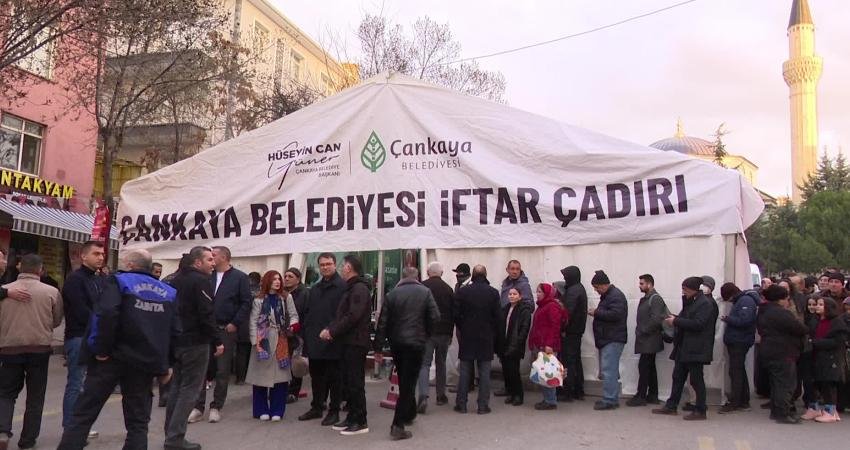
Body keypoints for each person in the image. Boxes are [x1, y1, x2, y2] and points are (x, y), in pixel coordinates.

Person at [58, 249, 178, 450]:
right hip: (144, 363)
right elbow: (174, 331)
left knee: (83, 415)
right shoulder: (168, 292)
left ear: (130, 265)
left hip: (112, 359)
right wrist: (165, 365)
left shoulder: (119, 282)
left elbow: (105, 315)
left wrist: (100, 350)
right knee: (138, 423)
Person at [0, 254, 62, 450]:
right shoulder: (52, 291)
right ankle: (28, 440)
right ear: (40, 269)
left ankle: (2, 431)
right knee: (36, 396)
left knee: (6, 393)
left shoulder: (5, 291)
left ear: (20, 268)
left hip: (9, 348)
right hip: (39, 349)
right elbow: (57, 319)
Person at [164, 246, 223, 450]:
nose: (213, 263)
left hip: (177, 342)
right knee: (189, 391)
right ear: (197, 262)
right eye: (209, 259)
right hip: (195, 342)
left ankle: (170, 434)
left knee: (177, 389)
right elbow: (206, 313)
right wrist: (217, 340)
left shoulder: (175, 279)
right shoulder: (200, 281)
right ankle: (175, 439)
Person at [374, 267, 440, 440]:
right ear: (417, 277)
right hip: (416, 343)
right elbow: (435, 317)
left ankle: (409, 414)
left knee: (405, 379)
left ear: (402, 277)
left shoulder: (392, 294)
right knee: (409, 384)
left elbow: (382, 323)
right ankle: (397, 425)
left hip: (397, 343)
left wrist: (378, 348)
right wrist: (426, 334)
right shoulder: (425, 292)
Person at [190, 246, 251, 424]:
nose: (211, 258)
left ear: (224, 257)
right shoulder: (206, 276)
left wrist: (235, 322)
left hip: (225, 329)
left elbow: (246, 302)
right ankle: (197, 407)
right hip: (205, 328)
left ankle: (216, 406)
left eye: (213, 256)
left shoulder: (240, 277)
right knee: (201, 368)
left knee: (222, 369)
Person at [652, 276, 717, 421]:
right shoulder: (692, 302)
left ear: (694, 289)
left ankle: (701, 409)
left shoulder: (705, 304)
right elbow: (686, 318)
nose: (683, 292)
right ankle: (671, 405)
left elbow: (698, 324)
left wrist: (676, 321)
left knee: (696, 380)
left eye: (685, 289)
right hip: (685, 346)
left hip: (696, 348)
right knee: (678, 377)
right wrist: (674, 318)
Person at [322, 254, 372, 436]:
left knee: (355, 382)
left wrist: (332, 331)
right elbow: (343, 316)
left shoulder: (359, 289)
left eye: (343, 265)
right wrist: (332, 328)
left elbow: (352, 316)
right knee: (349, 382)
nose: (342, 269)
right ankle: (352, 417)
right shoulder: (351, 288)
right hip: (348, 341)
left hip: (355, 342)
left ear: (350, 268)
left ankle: (360, 420)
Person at [60, 241, 105, 440]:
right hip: (79, 337)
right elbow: (81, 311)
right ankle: (71, 427)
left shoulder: (98, 279)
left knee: (88, 385)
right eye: (96, 254)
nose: (101, 257)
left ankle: (80, 426)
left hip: (93, 337)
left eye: (103, 254)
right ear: (83, 256)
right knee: (76, 383)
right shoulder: (75, 280)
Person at [750, 284, 810, 424]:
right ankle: (783, 413)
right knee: (785, 384)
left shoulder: (764, 311)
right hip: (783, 351)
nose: (788, 301)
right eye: (786, 298)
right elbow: (799, 328)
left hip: (769, 349)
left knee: (776, 383)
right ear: (781, 299)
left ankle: (776, 411)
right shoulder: (781, 313)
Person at [298, 253, 346, 426]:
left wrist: (332, 331)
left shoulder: (343, 287)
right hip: (315, 341)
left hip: (334, 341)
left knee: (335, 379)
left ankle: (334, 411)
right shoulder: (315, 289)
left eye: (328, 264)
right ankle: (317, 407)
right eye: (322, 264)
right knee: (316, 377)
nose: (325, 267)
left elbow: (343, 316)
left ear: (335, 265)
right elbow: (309, 314)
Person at [246, 271, 300, 422]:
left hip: (281, 338)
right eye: (274, 279)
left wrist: (292, 326)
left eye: (279, 279)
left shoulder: (285, 297)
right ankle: (261, 409)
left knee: (281, 376)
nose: (277, 281)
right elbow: (253, 320)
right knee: (260, 376)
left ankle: (277, 410)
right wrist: (255, 342)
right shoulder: (258, 299)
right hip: (262, 339)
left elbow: (294, 314)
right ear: (267, 281)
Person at [453, 265, 500, 414]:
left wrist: (463, 326)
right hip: (486, 336)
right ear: (485, 275)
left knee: (465, 370)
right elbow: (498, 317)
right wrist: (493, 332)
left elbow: (456, 314)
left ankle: (461, 404)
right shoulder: (493, 293)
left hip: (468, 335)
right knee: (484, 372)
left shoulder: (463, 292)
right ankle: (482, 405)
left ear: (472, 275)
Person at [800, 297, 849, 423]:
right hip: (815, 356)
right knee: (813, 383)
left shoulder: (836, 322)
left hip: (830, 358)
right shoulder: (815, 320)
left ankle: (830, 411)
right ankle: (814, 408)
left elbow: (838, 341)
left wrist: (816, 342)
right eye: (818, 304)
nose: (817, 306)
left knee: (828, 385)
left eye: (821, 304)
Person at [418, 262, 454, 413]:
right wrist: (450, 333)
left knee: (425, 364)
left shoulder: (421, 287)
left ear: (427, 272)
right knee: (441, 364)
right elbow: (453, 313)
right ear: (442, 273)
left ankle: (423, 396)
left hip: (427, 333)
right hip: (444, 331)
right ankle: (440, 395)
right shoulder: (448, 289)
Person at [588, 270, 627, 410]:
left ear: (603, 285)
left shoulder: (615, 296)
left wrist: (596, 312)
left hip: (612, 338)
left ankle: (609, 399)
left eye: (596, 288)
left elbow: (616, 314)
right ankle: (611, 397)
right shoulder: (610, 295)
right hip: (610, 337)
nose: (596, 291)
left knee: (609, 370)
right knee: (610, 370)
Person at [628, 274, 668, 407]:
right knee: (649, 367)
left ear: (649, 284)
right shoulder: (648, 298)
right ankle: (652, 395)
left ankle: (641, 395)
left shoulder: (655, 299)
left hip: (650, 339)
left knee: (644, 367)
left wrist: (643, 330)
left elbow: (657, 319)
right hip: (647, 339)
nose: (639, 286)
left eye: (642, 283)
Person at [718, 282, 759, 413]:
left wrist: (728, 319)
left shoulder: (745, 301)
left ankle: (736, 401)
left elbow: (745, 320)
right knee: (739, 370)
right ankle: (742, 400)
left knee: (736, 372)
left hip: (739, 340)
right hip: (739, 339)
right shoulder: (744, 300)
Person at [527, 283, 567, 410]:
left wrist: (549, 344)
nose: (537, 294)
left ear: (547, 293)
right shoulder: (543, 305)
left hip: (548, 346)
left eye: (540, 292)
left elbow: (555, 327)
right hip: (540, 344)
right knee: (543, 372)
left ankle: (550, 400)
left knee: (548, 372)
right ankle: (547, 398)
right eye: (537, 291)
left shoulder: (551, 306)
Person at [556, 266, 588, 402]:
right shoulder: (578, 288)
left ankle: (567, 391)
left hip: (570, 332)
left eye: (565, 276)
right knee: (575, 360)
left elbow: (567, 313)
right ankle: (578, 390)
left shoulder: (574, 290)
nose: (564, 278)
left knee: (568, 361)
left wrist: (562, 328)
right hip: (576, 331)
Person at [496, 287, 532, 407]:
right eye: (510, 294)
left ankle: (518, 395)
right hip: (505, 344)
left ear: (520, 296)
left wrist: (518, 343)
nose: (511, 296)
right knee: (506, 371)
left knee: (514, 371)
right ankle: (511, 393)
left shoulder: (524, 310)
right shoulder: (506, 308)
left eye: (514, 294)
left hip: (515, 344)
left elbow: (524, 328)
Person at [283, 268, 309, 403]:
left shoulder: (304, 294)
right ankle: (282, 389)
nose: (286, 278)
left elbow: (305, 315)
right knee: (283, 362)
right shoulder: (282, 293)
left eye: (290, 276)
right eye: (285, 276)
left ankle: (293, 392)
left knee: (295, 364)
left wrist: (301, 333)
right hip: (283, 334)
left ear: (298, 279)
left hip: (298, 334)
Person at [235, 272, 262, 386]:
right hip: (256, 324)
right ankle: (252, 375)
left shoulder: (241, 290)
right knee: (254, 351)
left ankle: (240, 377)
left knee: (241, 352)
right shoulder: (260, 292)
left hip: (242, 324)